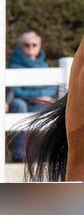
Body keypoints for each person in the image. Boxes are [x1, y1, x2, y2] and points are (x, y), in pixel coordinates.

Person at [8, 31, 58, 162]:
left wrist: (43, 96)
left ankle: (43, 155)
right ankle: (19, 154)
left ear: (39, 46)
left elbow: (51, 88)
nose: (31, 48)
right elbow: (18, 91)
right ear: (21, 47)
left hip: (39, 103)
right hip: (21, 102)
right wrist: (39, 95)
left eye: (34, 45)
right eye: (26, 45)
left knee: (51, 109)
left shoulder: (44, 66)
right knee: (20, 105)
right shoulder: (14, 66)